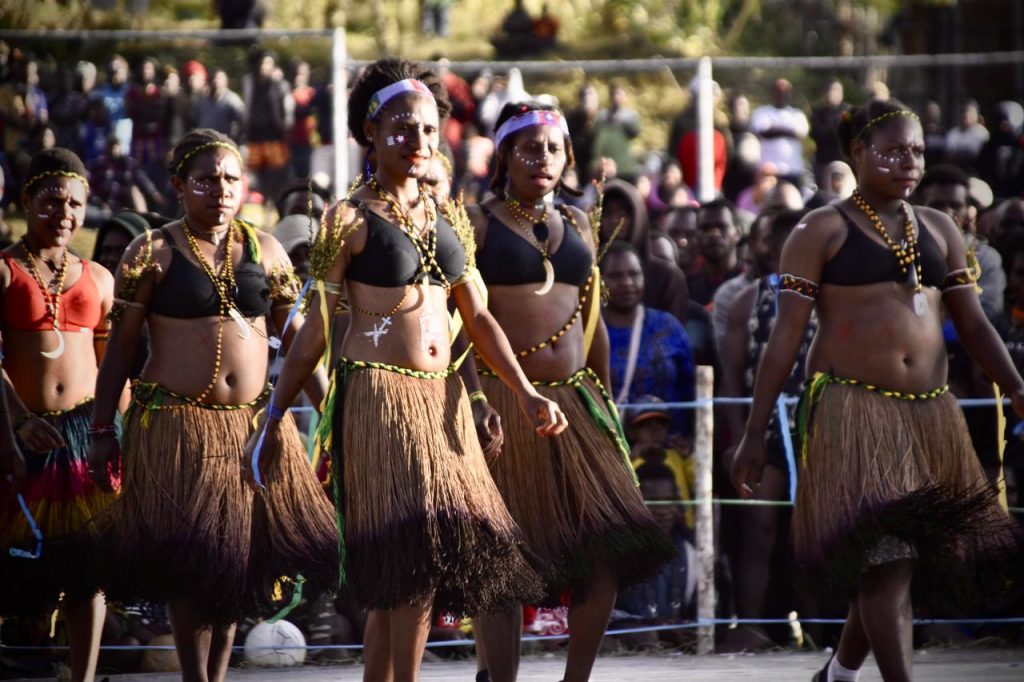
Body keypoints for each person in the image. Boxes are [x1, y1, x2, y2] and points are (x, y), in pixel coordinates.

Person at [247, 58, 565, 682]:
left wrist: (524, 393)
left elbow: (478, 319)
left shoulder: (447, 218)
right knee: (408, 567)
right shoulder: (349, 217)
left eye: (427, 130)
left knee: (432, 569)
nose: (418, 141)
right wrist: (274, 415)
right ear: (371, 132)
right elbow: (313, 327)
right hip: (378, 401)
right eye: (403, 127)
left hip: (440, 401)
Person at [731, 99, 1024, 682]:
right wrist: (755, 431)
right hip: (852, 410)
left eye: (916, 149)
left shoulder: (940, 227)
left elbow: (973, 323)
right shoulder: (821, 230)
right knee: (886, 558)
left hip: (930, 414)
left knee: (899, 559)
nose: (908, 162)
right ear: (857, 152)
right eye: (892, 150)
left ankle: (838, 675)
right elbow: (784, 339)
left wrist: (1017, 388)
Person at [88, 129, 339, 682]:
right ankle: (195, 679)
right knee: (191, 562)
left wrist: (333, 415)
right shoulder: (150, 251)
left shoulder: (265, 248)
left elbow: (299, 343)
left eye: (230, 179)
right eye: (206, 180)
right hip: (177, 429)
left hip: (250, 433)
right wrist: (103, 428)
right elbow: (121, 349)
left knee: (237, 564)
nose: (220, 190)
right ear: (179, 186)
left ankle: (216, 678)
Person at [462, 101, 674, 682]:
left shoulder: (580, 223)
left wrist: (604, 398)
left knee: (603, 552)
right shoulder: (476, 223)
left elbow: (592, 319)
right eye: (530, 148)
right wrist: (478, 400)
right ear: (504, 155)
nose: (543, 159)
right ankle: (497, 676)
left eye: (553, 149)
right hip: (508, 404)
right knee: (503, 557)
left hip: (577, 405)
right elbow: (461, 326)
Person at [0, 148, 116, 682]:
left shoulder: (99, 278)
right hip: (23, 436)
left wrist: (115, 434)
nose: (64, 214)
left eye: (74, 204)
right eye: (51, 201)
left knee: (88, 571)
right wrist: (18, 422)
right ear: (26, 200)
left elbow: (115, 363)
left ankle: (84, 677)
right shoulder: (3, 270)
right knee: (12, 560)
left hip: (85, 439)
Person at [602, 240, 696, 441]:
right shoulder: (589, 330)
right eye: (616, 276)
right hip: (607, 447)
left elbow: (690, 389)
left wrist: (688, 438)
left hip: (670, 450)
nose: (627, 282)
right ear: (599, 280)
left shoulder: (668, 326)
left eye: (634, 274)